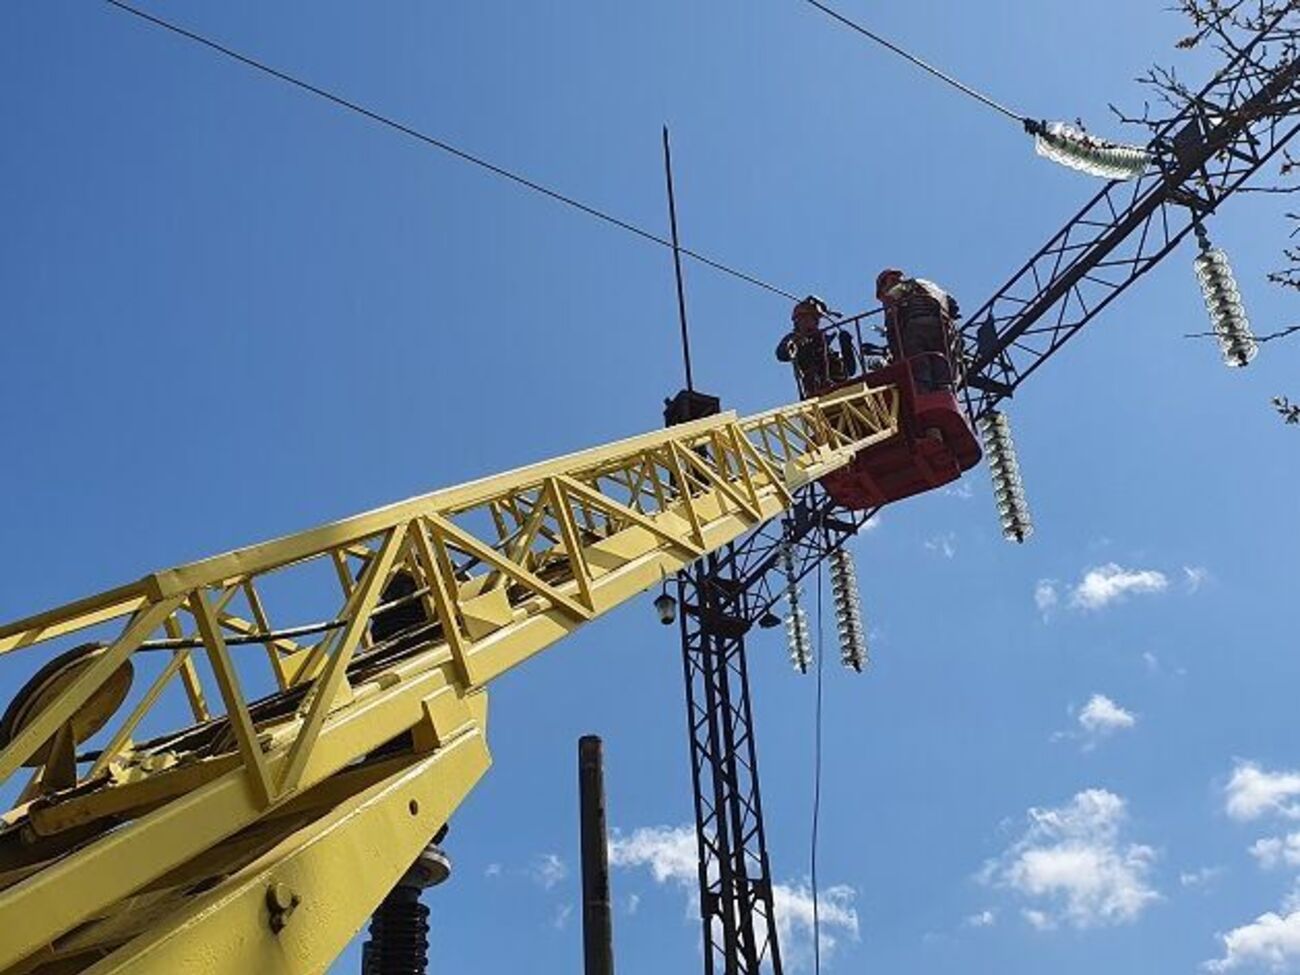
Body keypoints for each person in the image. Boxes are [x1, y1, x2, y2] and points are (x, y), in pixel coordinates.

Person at [876, 268, 960, 392]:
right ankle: (945, 392)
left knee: (919, 367)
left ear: (887, 282)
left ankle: (924, 394)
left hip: (915, 328)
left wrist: (897, 357)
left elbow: (892, 324)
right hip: (942, 327)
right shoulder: (926, 284)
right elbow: (954, 306)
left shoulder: (895, 291)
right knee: (942, 363)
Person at [775, 296, 832, 395]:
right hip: (813, 381)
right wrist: (795, 344)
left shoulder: (820, 337)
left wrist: (845, 344)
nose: (815, 323)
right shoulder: (793, 337)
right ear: (799, 320)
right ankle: (823, 382)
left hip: (832, 378)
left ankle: (826, 380)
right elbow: (781, 354)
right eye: (812, 319)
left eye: (816, 320)